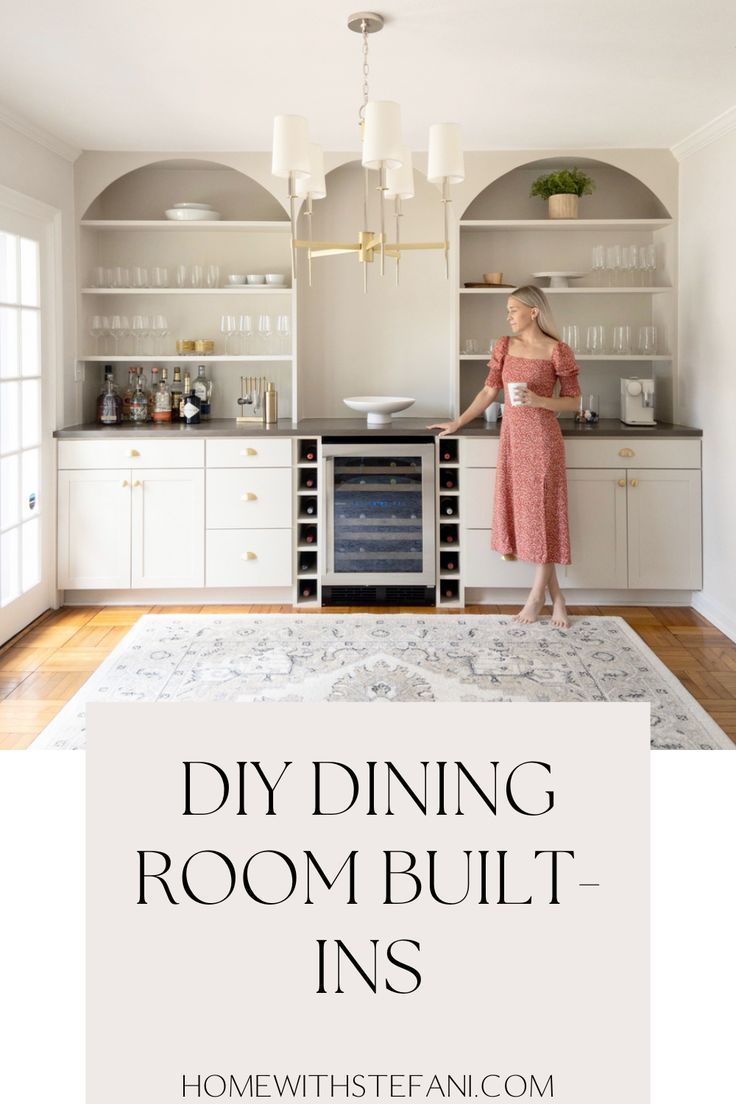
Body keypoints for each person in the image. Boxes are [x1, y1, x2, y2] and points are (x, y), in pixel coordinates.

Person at [429, 286, 581, 629]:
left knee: (543, 518)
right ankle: (558, 598)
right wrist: (457, 421)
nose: (508, 315)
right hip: (512, 441)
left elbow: (573, 401)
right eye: (507, 309)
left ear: (534, 312)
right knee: (529, 519)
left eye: (514, 309)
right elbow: (488, 391)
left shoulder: (558, 351)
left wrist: (542, 401)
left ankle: (535, 598)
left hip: (543, 442)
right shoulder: (503, 346)